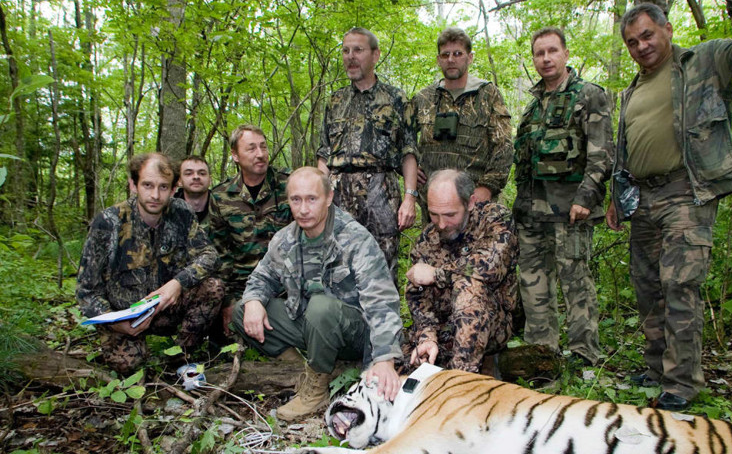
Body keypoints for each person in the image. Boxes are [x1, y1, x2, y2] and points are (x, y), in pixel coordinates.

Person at [606, 0, 732, 410]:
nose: (641, 46)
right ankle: (656, 369)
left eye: (648, 35)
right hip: (643, 197)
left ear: (667, 29)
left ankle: (682, 383)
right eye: (632, 41)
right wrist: (616, 198)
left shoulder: (703, 61)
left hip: (688, 189)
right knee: (648, 287)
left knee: (680, 284)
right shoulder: (632, 91)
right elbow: (626, 151)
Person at [232, 167, 404, 421]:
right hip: (312, 324)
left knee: (321, 307)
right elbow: (261, 277)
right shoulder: (285, 239)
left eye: (312, 199)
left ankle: (316, 392)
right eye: (296, 200)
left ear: (329, 197)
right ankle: (301, 369)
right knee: (242, 310)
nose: (303, 209)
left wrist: (385, 359)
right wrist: (254, 301)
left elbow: (381, 300)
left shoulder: (354, 238)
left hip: (354, 333)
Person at [513, 27, 614, 367]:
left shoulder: (588, 95)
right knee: (533, 286)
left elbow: (602, 155)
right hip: (532, 215)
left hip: (571, 212)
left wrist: (586, 197)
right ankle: (543, 355)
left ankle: (586, 356)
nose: (546, 59)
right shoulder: (531, 109)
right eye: (539, 53)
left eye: (552, 51)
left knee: (576, 286)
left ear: (566, 54)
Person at [76, 153, 224, 374]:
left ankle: (180, 357)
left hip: (166, 308)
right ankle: (133, 348)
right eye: (147, 185)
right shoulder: (108, 222)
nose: (155, 195)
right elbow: (86, 291)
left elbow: (209, 254)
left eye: (163, 187)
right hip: (124, 315)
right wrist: (115, 322)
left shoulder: (182, 212)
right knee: (128, 366)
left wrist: (177, 283)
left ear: (174, 189)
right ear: (133, 185)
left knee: (214, 288)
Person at [317, 27, 419, 282]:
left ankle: (384, 322)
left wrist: (410, 198)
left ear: (375, 55)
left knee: (382, 271)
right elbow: (323, 156)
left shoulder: (396, 98)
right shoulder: (335, 101)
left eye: (358, 50)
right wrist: (319, 197)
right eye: (346, 50)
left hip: (381, 191)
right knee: (339, 271)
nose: (351, 56)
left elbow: (408, 152)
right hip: (339, 194)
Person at [405, 169, 518, 374]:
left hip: (490, 324)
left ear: (471, 202)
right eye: (433, 214)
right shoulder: (427, 239)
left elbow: (488, 267)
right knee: (395, 359)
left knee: (468, 286)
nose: (441, 224)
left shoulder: (495, 220)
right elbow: (418, 296)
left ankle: (461, 378)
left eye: (450, 215)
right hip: (444, 327)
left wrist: (437, 274)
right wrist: (427, 336)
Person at [412, 27, 512, 219]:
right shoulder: (424, 98)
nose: (451, 59)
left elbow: (504, 146)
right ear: (438, 59)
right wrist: (409, 167)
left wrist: (487, 188)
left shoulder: (488, 95)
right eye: (445, 54)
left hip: (475, 203)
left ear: (470, 57)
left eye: (458, 54)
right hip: (434, 205)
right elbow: (402, 138)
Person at [208, 124, 292, 337]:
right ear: (235, 155)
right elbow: (221, 255)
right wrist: (228, 303)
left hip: (287, 284)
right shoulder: (221, 196)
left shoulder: (289, 186)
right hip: (242, 289)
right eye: (251, 148)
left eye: (263, 147)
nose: (260, 154)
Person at [174, 155, 212, 231]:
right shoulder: (168, 210)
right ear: (179, 181)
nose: (196, 177)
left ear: (210, 180)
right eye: (188, 173)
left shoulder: (223, 207)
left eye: (202, 173)